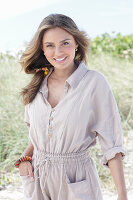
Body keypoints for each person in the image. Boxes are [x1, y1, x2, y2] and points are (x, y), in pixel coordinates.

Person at [16, 13, 127, 200]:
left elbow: (112, 144)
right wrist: (25, 159)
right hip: (37, 180)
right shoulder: (37, 83)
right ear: (42, 49)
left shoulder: (94, 83)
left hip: (76, 181)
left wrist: (122, 195)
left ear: (76, 43)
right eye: (50, 45)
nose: (58, 52)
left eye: (65, 43)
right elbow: (39, 136)